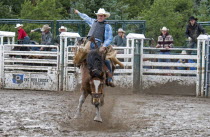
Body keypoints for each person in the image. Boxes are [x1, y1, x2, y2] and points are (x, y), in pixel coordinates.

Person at [74, 8, 115, 87]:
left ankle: (109, 77)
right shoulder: (93, 22)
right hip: (89, 42)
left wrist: (104, 46)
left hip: (99, 43)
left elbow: (109, 38)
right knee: (82, 54)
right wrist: (78, 12)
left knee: (106, 59)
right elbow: (86, 17)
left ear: (104, 16)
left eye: (102, 16)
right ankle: (80, 67)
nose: (100, 17)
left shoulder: (107, 26)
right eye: (99, 15)